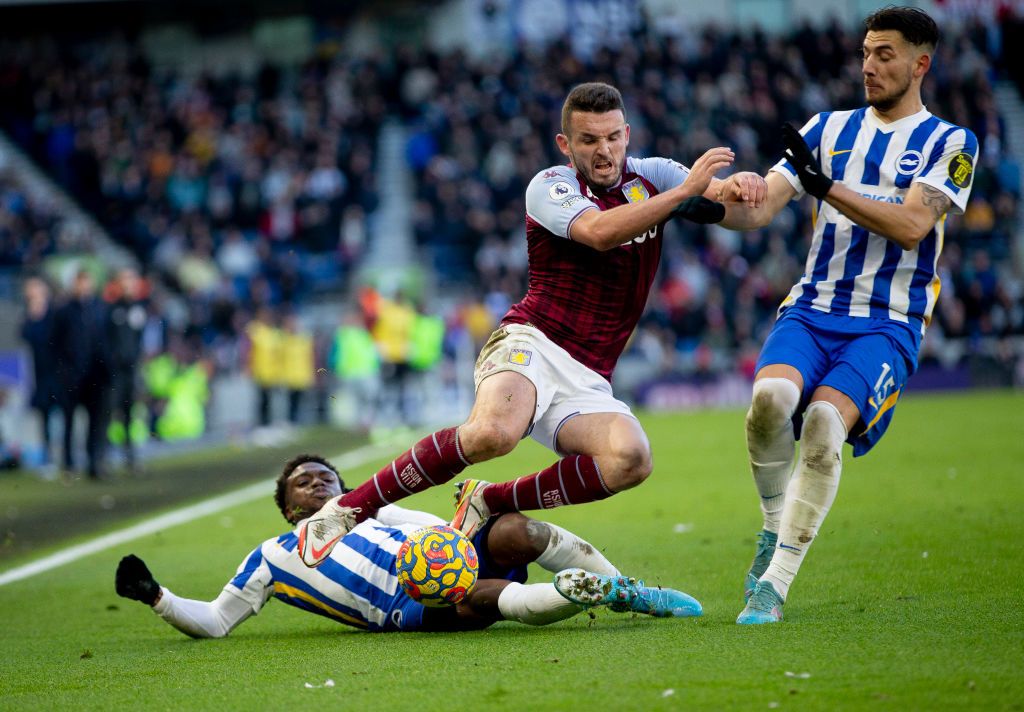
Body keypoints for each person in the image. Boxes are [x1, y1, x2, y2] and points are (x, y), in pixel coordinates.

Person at [294, 82, 766, 566]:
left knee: (631, 458)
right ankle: (346, 511)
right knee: (492, 435)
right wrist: (685, 193)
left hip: (590, 375)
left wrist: (746, 185)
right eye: (588, 140)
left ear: (627, 134)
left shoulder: (658, 175)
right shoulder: (549, 187)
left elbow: (735, 209)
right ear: (566, 144)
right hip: (532, 342)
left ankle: (489, 501)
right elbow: (599, 233)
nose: (603, 151)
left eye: (611, 138)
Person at [718, 7, 977, 624]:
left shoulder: (951, 143)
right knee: (771, 403)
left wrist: (825, 186)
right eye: (865, 52)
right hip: (811, 308)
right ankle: (772, 526)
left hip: (888, 322)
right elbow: (763, 209)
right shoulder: (829, 128)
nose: (869, 65)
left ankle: (774, 586)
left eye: (885, 54)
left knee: (824, 428)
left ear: (921, 64)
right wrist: (716, 200)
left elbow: (915, 225)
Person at [114, 454, 702, 636]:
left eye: (327, 477)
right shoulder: (272, 557)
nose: (320, 483)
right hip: (405, 602)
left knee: (517, 529)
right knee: (475, 595)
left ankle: (625, 589)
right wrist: (158, 598)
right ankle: (576, 593)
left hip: (445, 554)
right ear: (289, 507)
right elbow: (217, 620)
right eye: (305, 481)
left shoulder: (379, 505)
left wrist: (458, 531)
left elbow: (441, 539)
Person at [51, 268, 112, 479]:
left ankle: (94, 462)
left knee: (95, 421)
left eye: (86, 282)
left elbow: (104, 342)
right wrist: (63, 370)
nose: (83, 286)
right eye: (79, 282)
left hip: (94, 375)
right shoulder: (64, 311)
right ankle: (68, 463)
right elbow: (56, 343)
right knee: (69, 420)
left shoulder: (100, 308)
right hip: (71, 375)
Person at [106, 268, 147, 473]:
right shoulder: (112, 309)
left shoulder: (138, 309)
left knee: (129, 413)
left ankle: (130, 456)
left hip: (131, 370)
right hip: (114, 371)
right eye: (124, 280)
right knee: (109, 412)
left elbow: (139, 339)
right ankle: (103, 457)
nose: (128, 285)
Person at [19, 276, 59, 470]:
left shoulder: (55, 313)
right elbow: (25, 335)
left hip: (57, 372)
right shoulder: (30, 315)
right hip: (40, 374)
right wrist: (33, 315)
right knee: (45, 416)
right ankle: (49, 456)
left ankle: (66, 456)